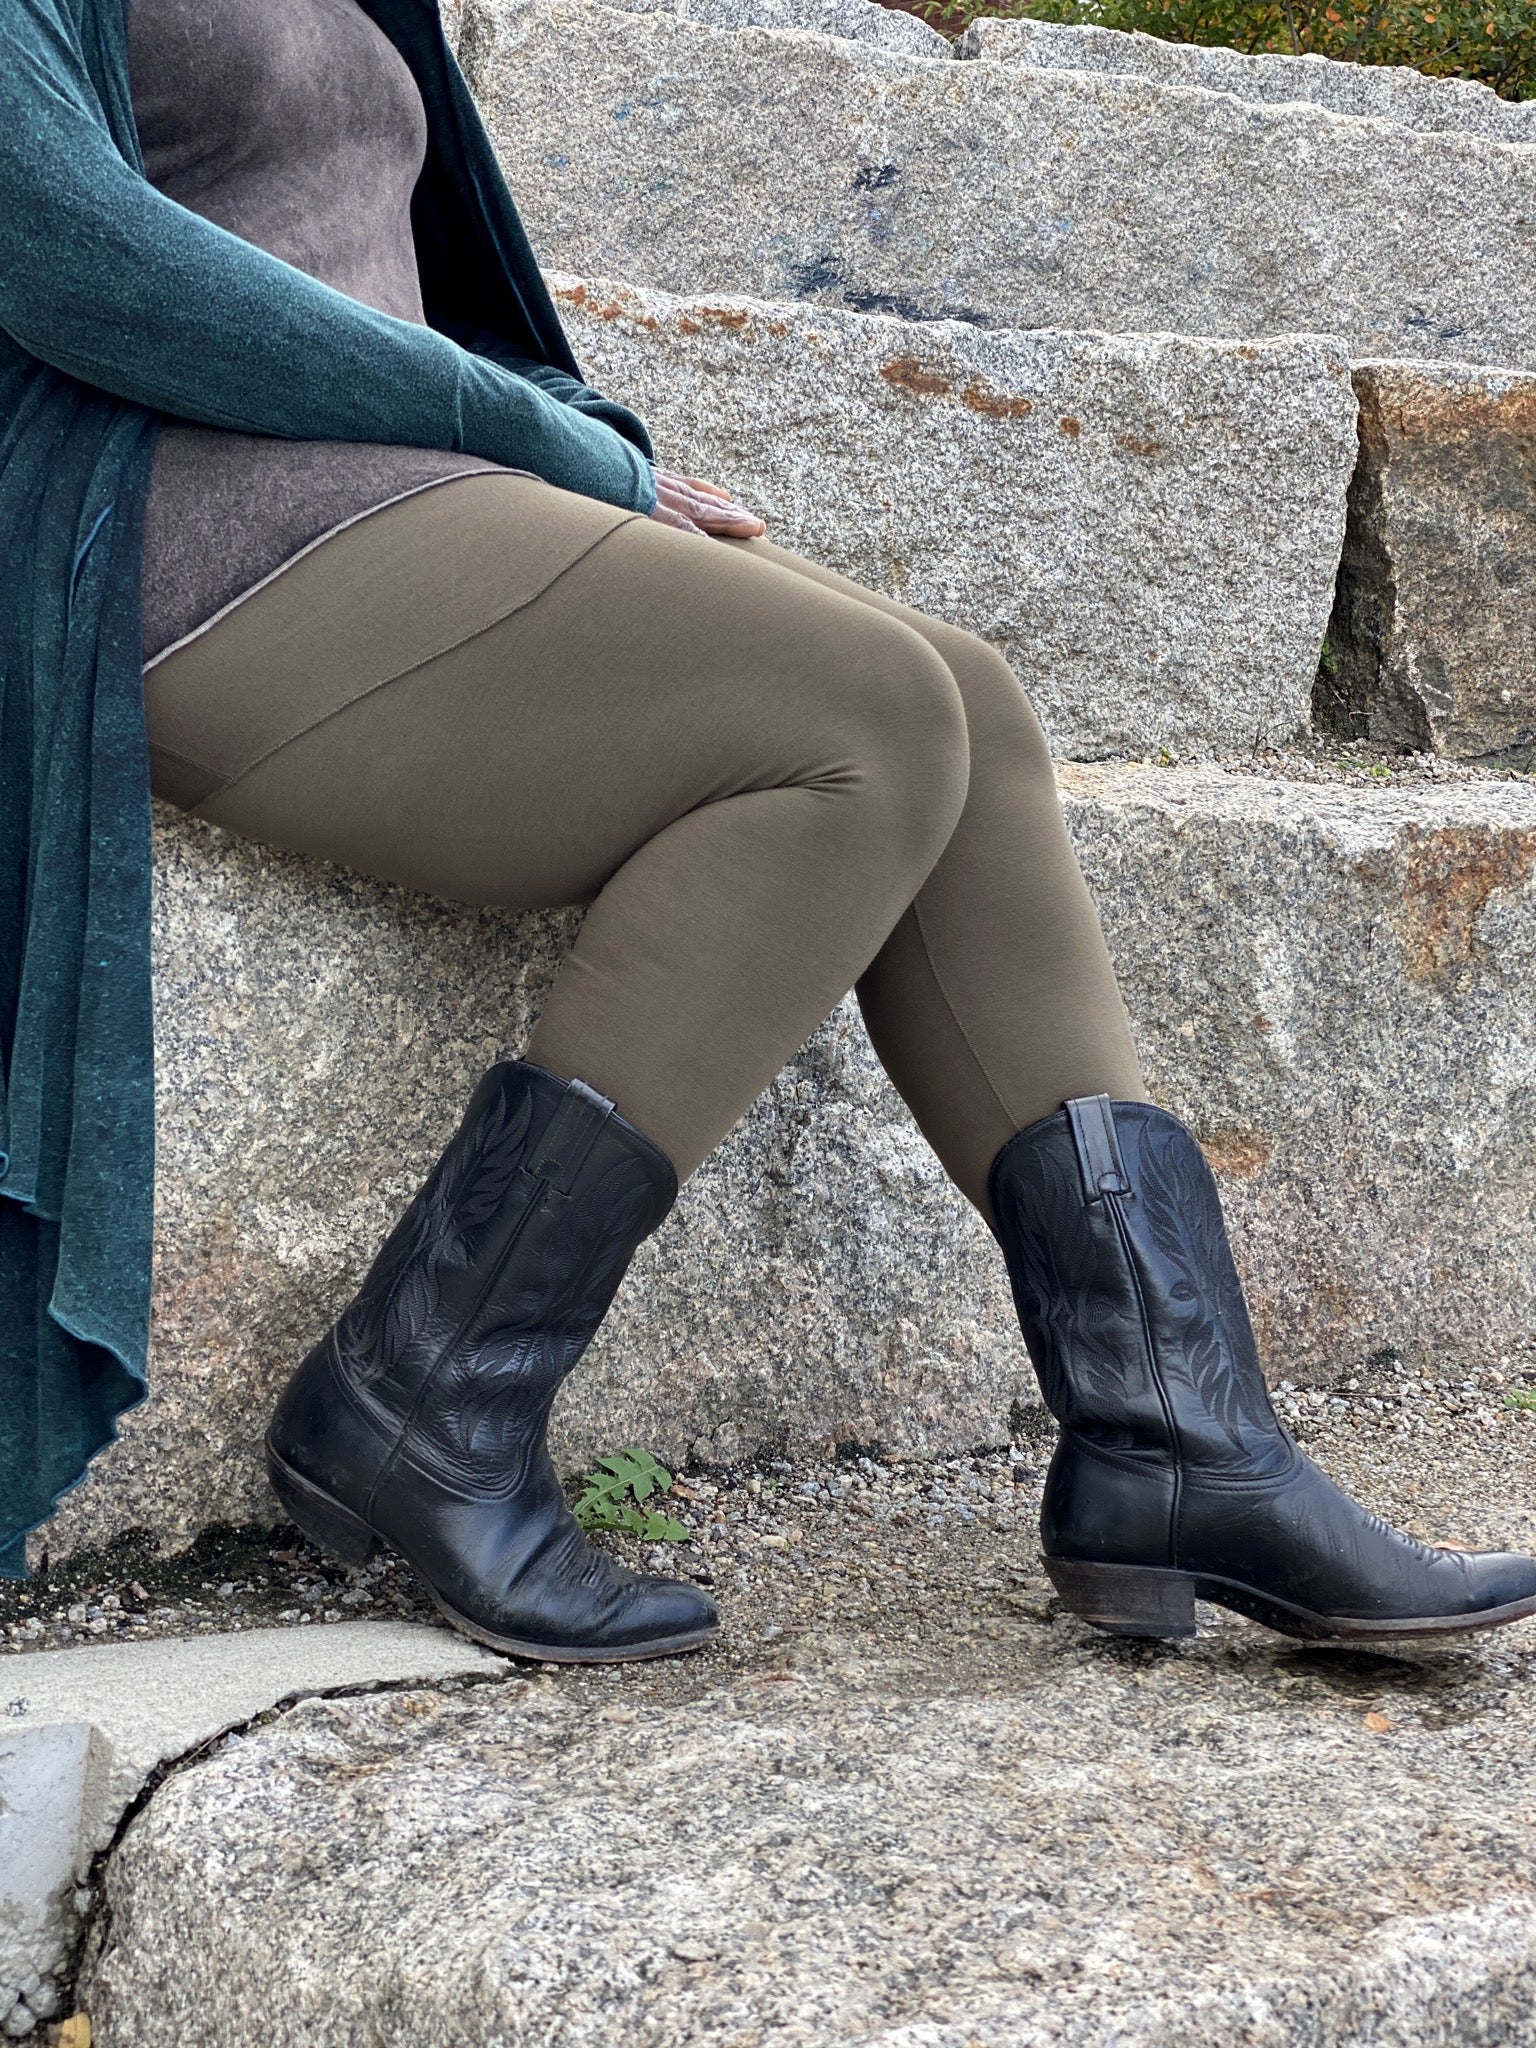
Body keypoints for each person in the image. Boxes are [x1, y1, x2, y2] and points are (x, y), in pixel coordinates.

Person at [3, 0, 1533, 1655]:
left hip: (405, 492)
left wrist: (545, 425)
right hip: (188, 543)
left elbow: (416, 278)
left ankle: (1180, 1439)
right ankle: (419, 1400)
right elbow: (73, 261)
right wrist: (519, 424)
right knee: (862, 720)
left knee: (967, 705)